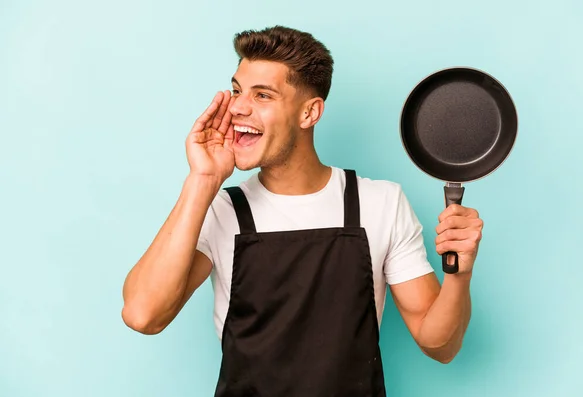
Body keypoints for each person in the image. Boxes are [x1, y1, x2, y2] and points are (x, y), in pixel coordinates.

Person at [121, 25, 484, 396]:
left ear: (310, 113)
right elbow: (143, 315)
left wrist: (459, 275)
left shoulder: (380, 203)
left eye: (262, 95)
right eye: (236, 91)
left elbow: (439, 345)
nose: (238, 107)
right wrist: (203, 179)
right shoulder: (221, 209)